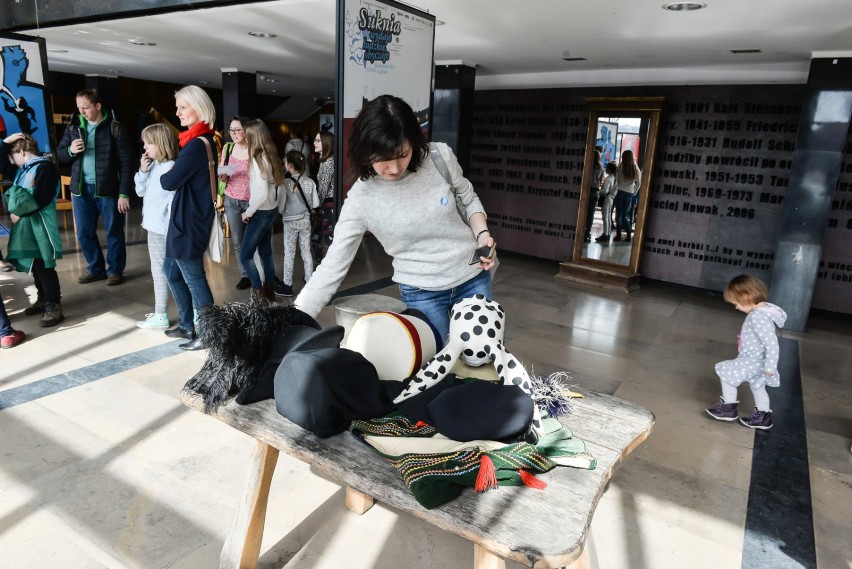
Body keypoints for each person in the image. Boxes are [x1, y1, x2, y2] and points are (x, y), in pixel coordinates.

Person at [293, 94, 497, 341]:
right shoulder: (361, 199)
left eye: (403, 153)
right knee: (438, 368)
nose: (395, 167)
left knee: (481, 358)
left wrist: (482, 234)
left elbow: (467, 197)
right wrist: (292, 321)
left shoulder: (439, 157)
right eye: (382, 159)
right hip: (422, 295)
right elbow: (332, 267)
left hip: (473, 278)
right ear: (365, 152)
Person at [159, 85, 217, 351]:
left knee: (194, 277)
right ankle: (186, 324)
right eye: (177, 107)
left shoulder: (196, 144)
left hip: (189, 221)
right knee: (171, 271)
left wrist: (164, 170)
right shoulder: (199, 140)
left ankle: (208, 333)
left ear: (199, 108)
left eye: (183, 107)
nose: (178, 112)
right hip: (187, 217)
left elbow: (170, 181)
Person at [57, 88, 135, 286]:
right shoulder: (73, 128)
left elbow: (127, 164)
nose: (81, 112)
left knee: (114, 232)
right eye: (79, 108)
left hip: (109, 191)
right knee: (83, 232)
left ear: (98, 106)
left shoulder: (116, 129)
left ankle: (115, 270)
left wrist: (124, 193)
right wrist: (70, 150)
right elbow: (60, 155)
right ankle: (96, 268)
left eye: (86, 107)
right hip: (81, 191)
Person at [706, 275, 787, 430]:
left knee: (726, 373)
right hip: (758, 361)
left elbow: (772, 344)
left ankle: (728, 409)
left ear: (745, 296)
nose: (736, 307)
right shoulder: (764, 310)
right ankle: (763, 417)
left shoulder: (758, 317)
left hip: (754, 360)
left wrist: (770, 367)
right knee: (758, 387)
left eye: (736, 303)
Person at [0, 133, 65, 327]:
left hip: (41, 224)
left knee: (44, 265)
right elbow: (2, 162)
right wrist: (5, 142)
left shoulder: (45, 168)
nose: (12, 161)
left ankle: (54, 304)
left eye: (13, 156)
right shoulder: (22, 170)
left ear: (21, 151)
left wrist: (18, 213)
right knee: (35, 264)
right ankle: (43, 298)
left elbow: (41, 197)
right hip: (28, 225)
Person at [134, 123, 178, 329]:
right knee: (160, 271)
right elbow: (140, 192)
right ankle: (161, 312)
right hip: (153, 227)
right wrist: (142, 171)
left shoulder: (170, 168)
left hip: (163, 229)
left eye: (149, 143)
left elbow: (171, 202)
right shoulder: (153, 167)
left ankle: (161, 314)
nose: (145, 148)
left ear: (160, 144)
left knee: (163, 272)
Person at [240, 119, 286, 301]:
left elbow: (261, 192)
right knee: (265, 253)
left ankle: (259, 294)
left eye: (246, 133)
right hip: (270, 211)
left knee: (245, 256)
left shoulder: (257, 158)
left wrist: (248, 212)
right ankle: (269, 293)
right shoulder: (271, 154)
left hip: (260, 213)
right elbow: (278, 187)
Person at [276, 150, 318, 298]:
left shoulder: (285, 184)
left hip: (290, 223)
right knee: (306, 251)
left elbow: (280, 206)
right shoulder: (310, 182)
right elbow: (315, 204)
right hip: (306, 221)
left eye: (285, 162)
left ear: (290, 165)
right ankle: (309, 281)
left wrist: (283, 212)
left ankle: (287, 285)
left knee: (290, 253)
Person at [219, 116, 254, 291]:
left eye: (237, 129)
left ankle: (258, 273)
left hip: (251, 201)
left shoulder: (255, 149)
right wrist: (223, 175)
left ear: (246, 131)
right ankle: (245, 275)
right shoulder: (228, 147)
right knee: (238, 241)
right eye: (231, 130)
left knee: (254, 240)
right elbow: (222, 170)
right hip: (231, 198)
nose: (234, 133)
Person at [313, 131, 336, 260]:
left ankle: (326, 270)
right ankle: (320, 268)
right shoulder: (325, 161)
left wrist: (315, 208)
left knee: (328, 241)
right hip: (325, 205)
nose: (314, 143)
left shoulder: (328, 163)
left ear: (326, 143)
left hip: (327, 205)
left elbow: (323, 190)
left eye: (318, 141)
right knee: (318, 239)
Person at [613, 149, 641, 242]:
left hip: (620, 192)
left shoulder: (620, 167)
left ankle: (618, 236)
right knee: (625, 216)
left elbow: (617, 181)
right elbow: (639, 183)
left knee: (619, 215)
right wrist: (634, 192)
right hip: (629, 194)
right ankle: (629, 236)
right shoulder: (636, 169)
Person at [595, 162, 619, 244]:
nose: (605, 169)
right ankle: (607, 234)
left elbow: (605, 191)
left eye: (607, 168)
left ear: (609, 169)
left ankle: (605, 235)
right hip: (611, 199)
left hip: (606, 199)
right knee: (608, 217)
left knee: (605, 218)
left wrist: (598, 191)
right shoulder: (615, 178)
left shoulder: (608, 179)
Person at [583, 150, 604, 243]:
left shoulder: (587, 164)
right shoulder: (601, 167)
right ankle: (588, 232)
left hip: (586, 190)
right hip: (595, 191)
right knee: (591, 213)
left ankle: (581, 230)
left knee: (583, 211)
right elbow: (601, 181)